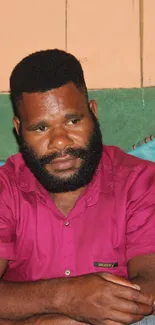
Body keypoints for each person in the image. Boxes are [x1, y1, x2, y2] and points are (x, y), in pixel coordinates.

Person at [0, 49, 155, 325]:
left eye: (73, 121)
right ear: (18, 128)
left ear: (93, 112)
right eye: (40, 128)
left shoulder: (139, 181)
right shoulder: (5, 189)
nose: (60, 142)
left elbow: (151, 285)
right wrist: (65, 299)